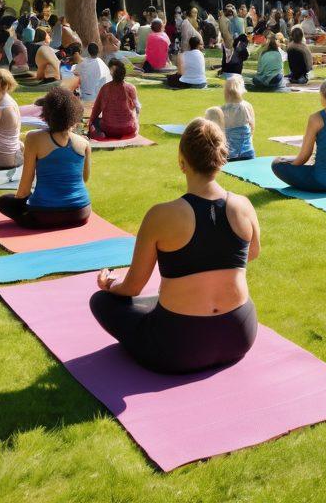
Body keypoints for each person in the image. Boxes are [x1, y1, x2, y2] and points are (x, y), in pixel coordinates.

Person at [89, 118, 259, 374]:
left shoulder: (161, 215)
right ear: (221, 159)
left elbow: (133, 287)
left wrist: (110, 284)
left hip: (178, 347)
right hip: (239, 335)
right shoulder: (243, 206)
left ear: (182, 162)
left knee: (102, 301)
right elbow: (252, 252)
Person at [0, 87, 91, 229]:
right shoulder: (84, 143)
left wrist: (20, 201)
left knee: (4, 201)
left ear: (46, 113)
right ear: (74, 114)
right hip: (81, 212)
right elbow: (84, 178)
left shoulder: (33, 138)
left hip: (46, 214)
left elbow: (24, 189)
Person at [206, 76, 256, 161]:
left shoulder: (220, 111)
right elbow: (252, 129)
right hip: (248, 152)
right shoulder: (247, 106)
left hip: (229, 155)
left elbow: (217, 135)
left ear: (226, 92)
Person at [88, 59, 141, 140]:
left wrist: (91, 122)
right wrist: (135, 120)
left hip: (108, 129)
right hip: (129, 128)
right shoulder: (131, 88)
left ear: (111, 73)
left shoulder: (105, 88)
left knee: (95, 122)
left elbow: (96, 109)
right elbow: (138, 107)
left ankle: (99, 134)